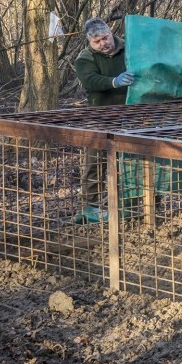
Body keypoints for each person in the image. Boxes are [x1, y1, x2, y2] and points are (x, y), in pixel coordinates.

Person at [74, 17, 135, 221]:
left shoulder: (130, 48)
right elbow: (90, 81)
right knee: (94, 163)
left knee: (129, 163)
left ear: (111, 32)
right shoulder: (85, 57)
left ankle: (131, 207)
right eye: (97, 42)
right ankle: (89, 209)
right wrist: (114, 82)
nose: (103, 44)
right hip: (100, 116)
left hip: (130, 115)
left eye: (105, 38)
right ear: (89, 42)